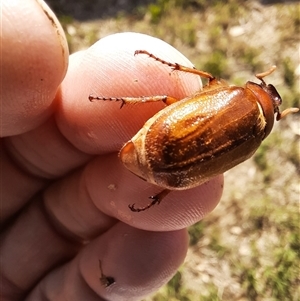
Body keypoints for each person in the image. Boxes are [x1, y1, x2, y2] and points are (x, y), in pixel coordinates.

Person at [1, 1, 223, 300]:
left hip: (163, 145)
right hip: (169, 162)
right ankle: (160, 193)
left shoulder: (231, 94)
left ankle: (160, 189)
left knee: (166, 97)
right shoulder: (248, 143)